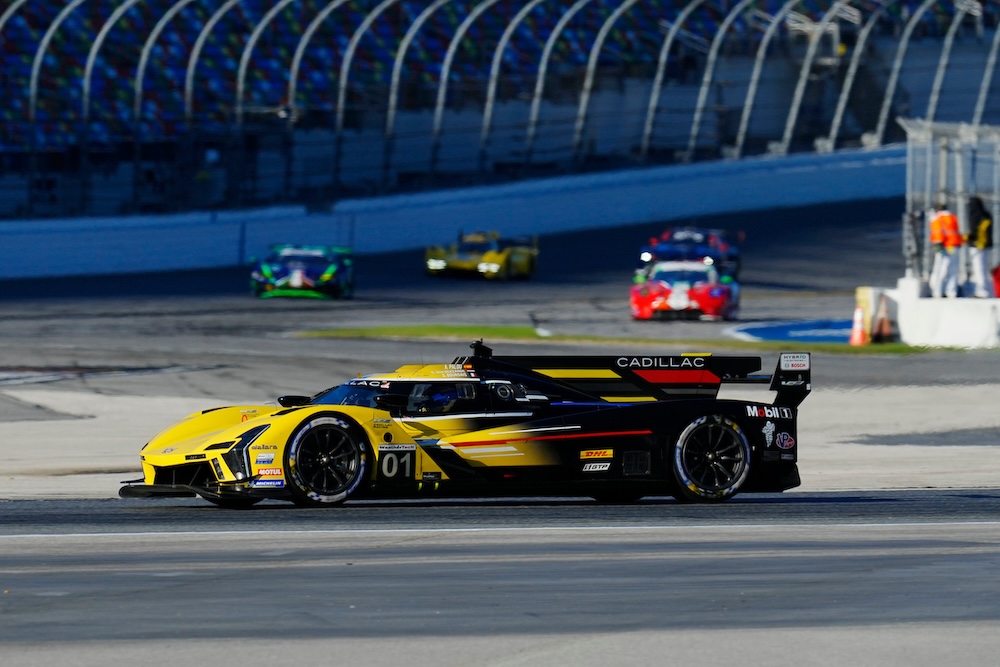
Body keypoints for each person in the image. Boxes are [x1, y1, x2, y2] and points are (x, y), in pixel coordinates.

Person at [928, 203, 962, 297]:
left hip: (943, 247)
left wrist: (938, 247)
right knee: (953, 269)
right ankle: (951, 292)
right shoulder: (953, 217)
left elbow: (937, 233)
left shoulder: (937, 218)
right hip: (954, 246)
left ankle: (937, 291)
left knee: (940, 268)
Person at [965, 196, 994, 298]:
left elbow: (975, 231)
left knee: (978, 269)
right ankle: (986, 291)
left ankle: (982, 291)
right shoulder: (986, 215)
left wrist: (968, 238)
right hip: (984, 246)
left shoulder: (976, 215)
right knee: (983, 269)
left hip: (977, 246)